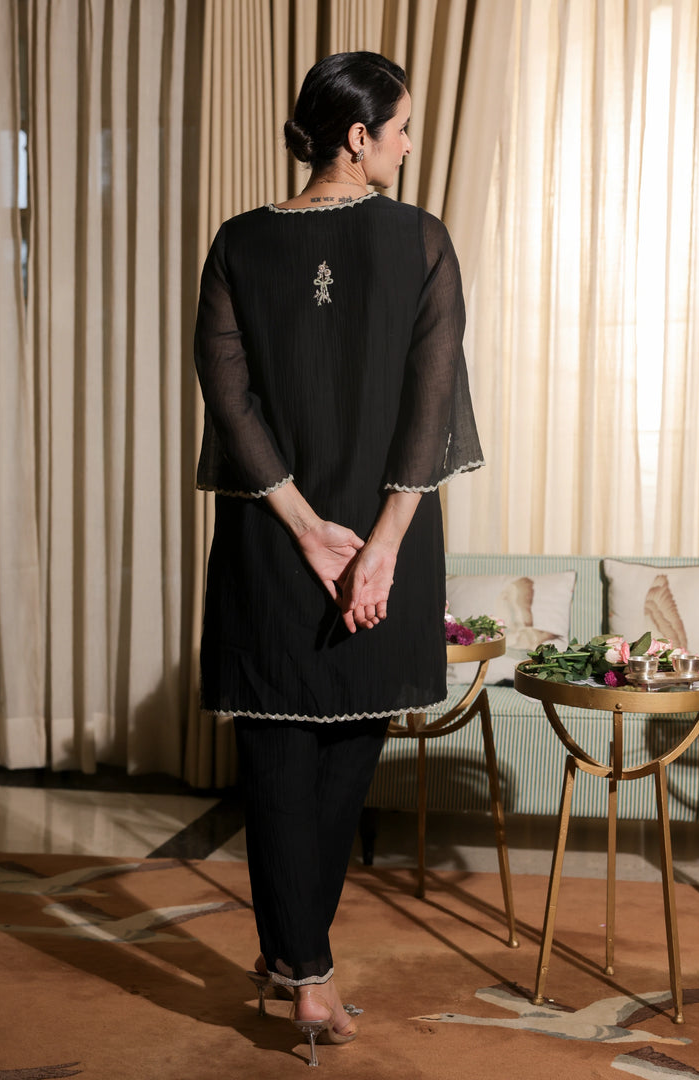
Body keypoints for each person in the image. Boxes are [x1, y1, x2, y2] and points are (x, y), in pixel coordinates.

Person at [194, 51, 483, 1066]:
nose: (408, 142)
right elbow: (431, 408)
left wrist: (304, 527)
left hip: (281, 543)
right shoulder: (424, 242)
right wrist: (380, 548)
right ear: (358, 138)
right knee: (340, 757)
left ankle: (295, 961)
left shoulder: (235, 244)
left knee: (279, 760)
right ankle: (309, 977)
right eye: (400, 127)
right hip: (378, 547)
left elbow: (229, 403)